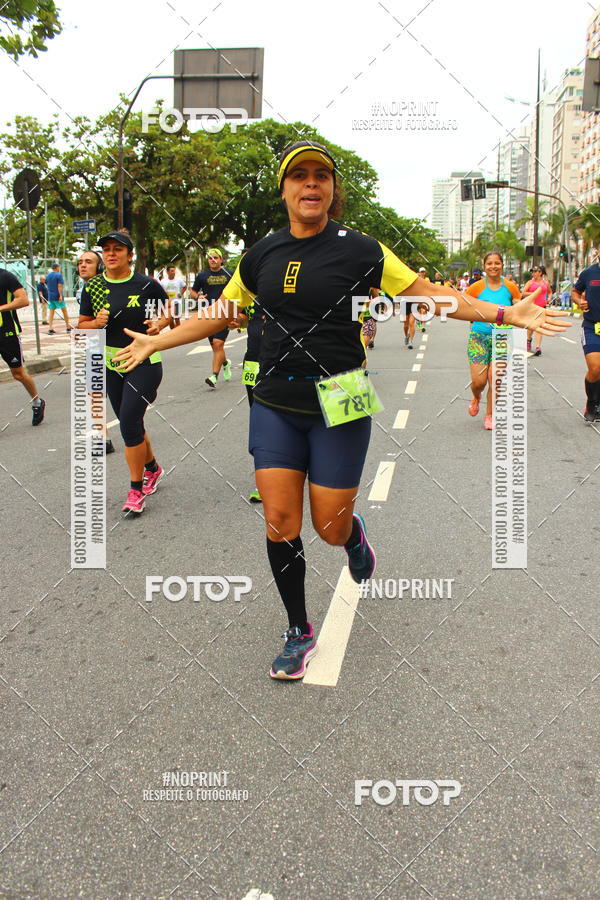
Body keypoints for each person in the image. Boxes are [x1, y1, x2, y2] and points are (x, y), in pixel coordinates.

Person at [113, 139, 569, 679]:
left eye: (320, 176)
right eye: (299, 176)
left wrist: (502, 315)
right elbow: (222, 313)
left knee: (328, 526)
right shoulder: (259, 255)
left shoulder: (361, 249)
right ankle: (299, 630)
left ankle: (354, 538)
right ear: (284, 190)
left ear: (332, 189)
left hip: (343, 394)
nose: (311, 184)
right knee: (281, 521)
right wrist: (153, 343)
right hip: (275, 399)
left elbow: (426, 294)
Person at [77, 231, 171, 514]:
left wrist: (158, 326)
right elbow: (81, 324)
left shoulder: (147, 285)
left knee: (129, 421)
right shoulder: (92, 287)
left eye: (118, 249)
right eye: (106, 249)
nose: (111, 254)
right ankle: (152, 468)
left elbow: (168, 313)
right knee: (132, 422)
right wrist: (95, 323)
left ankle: (135, 489)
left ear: (130, 255)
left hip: (144, 361)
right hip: (111, 364)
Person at [465, 251, 521, 430]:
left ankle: (490, 414)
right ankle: (476, 396)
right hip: (479, 337)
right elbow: (464, 305)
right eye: (490, 263)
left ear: (502, 265)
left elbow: (518, 308)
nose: (493, 266)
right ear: (484, 266)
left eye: (497, 263)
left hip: (502, 337)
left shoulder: (511, 287)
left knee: (495, 378)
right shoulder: (476, 287)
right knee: (478, 382)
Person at [76, 249, 115, 454]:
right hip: (93, 348)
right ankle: (103, 437)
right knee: (95, 394)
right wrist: (93, 324)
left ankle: (132, 427)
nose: (82, 265)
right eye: (80, 262)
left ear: (99, 266)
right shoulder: (82, 290)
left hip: (116, 348)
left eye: (88, 262)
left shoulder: (108, 286)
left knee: (123, 398)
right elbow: (83, 324)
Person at [0, 268, 45, 424]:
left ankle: (37, 402)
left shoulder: (5, 276)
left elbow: (23, 300)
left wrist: (1, 308)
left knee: (18, 373)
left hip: (7, 333)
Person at [190, 249, 232, 388]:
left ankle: (214, 376)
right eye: (210, 258)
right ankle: (225, 363)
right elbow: (193, 292)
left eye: (215, 257)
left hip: (224, 313)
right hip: (208, 314)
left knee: (218, 343)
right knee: (216, 347)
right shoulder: (202, 276)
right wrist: (198, 297)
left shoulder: (229, 274)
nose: (212, 260)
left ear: (221, 259)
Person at [571, 255, 600, 422]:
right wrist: (578, 302)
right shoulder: (589, 273)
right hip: (592, 326)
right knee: (595, 367)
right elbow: (575, 291)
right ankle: (592, 402)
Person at [523, 265, 551, 355]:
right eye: (533, 272)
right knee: (531, 326)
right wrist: (533, 293)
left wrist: (549, 299)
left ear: (540, 273)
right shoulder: (530, 283)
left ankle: (538, 347)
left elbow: (550, 292)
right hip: (531, 307)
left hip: (542, 307)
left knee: (539, 327)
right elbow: (523, 293)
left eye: (535, 272)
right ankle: (528, 340)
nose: (533, 274)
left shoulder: (545, 283)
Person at [46, 263, 72, 334]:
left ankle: (50, 327)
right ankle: (67, 326)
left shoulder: (48, 276)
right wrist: (60, 295)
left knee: (51, 312)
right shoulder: (59, 275)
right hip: (57, 295)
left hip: (50, 296)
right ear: (57, 268)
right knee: (64, 311)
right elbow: (59, 286)